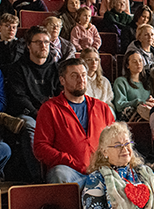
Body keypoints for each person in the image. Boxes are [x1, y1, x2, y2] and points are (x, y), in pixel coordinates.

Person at [34, 57, 114, 189]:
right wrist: (70, 161)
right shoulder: (50, 108)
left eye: (83, 75)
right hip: (70, 172)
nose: (81, 79)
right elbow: (41, 147)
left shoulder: (102, 107)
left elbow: (114, 140)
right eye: (74, 75)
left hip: (101, 171)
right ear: (62, 80)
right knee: (59, 174)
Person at [7, 26, 61, 182]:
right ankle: (38, 176)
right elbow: (19, 98)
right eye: (38, 42)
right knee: (30, 126)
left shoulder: (56, 68)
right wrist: (40, 115)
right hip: (29, 113)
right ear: (29, 45)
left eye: (46, 42)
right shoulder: (18, 68)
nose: (43, 46)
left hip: (52, 114)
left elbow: (61, 94)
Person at [113, 50, 154, 121]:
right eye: (134, 61)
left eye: (140, 61)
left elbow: (146, 102)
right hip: (129, 115)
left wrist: (151, 101)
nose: (138, 64)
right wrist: (138, 102)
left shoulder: (147, 82)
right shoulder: (121, 81)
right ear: (127, 65)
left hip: (146, 110)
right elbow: (119, 105)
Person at [80, 47, 114, 114]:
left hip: (103, 115)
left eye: (96, 60)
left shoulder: (105, 81)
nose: (94, 62)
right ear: (83, 61)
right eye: (89, 60)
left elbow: (109, 104)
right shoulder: (79, 81)